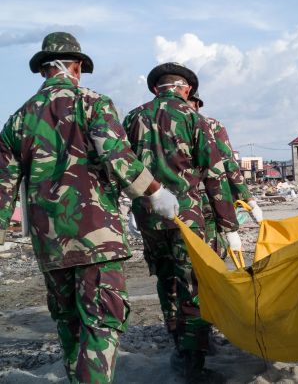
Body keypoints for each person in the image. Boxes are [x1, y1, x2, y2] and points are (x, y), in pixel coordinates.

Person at [0, 32, 179, 383]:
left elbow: (3, 186)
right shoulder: (93, 103)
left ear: (43, 72)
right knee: (101, 323)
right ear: (77, 67)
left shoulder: (18, 119)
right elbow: (117, 157)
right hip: (96, 237)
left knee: (69, 323)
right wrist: (155, 192)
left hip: (49, 243)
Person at [123, 63, 238, 383]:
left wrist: (131, 208)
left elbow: (121, 164)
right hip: (186, 216)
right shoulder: (193, 118)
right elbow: (214, 173)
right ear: (186, 88)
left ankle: (178, 344)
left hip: (148, 216)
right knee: (192, 285)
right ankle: (193, 361)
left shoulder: (133, 118)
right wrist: (228, 222)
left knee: (165, 281)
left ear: (156, 88)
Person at [187, 91, 263, 255]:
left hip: (162, 203)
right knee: (210, 255)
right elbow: (229, 164)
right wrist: (250, 200)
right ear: (197, 104)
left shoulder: (151, 120)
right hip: (204, 199)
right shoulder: (209, 124)